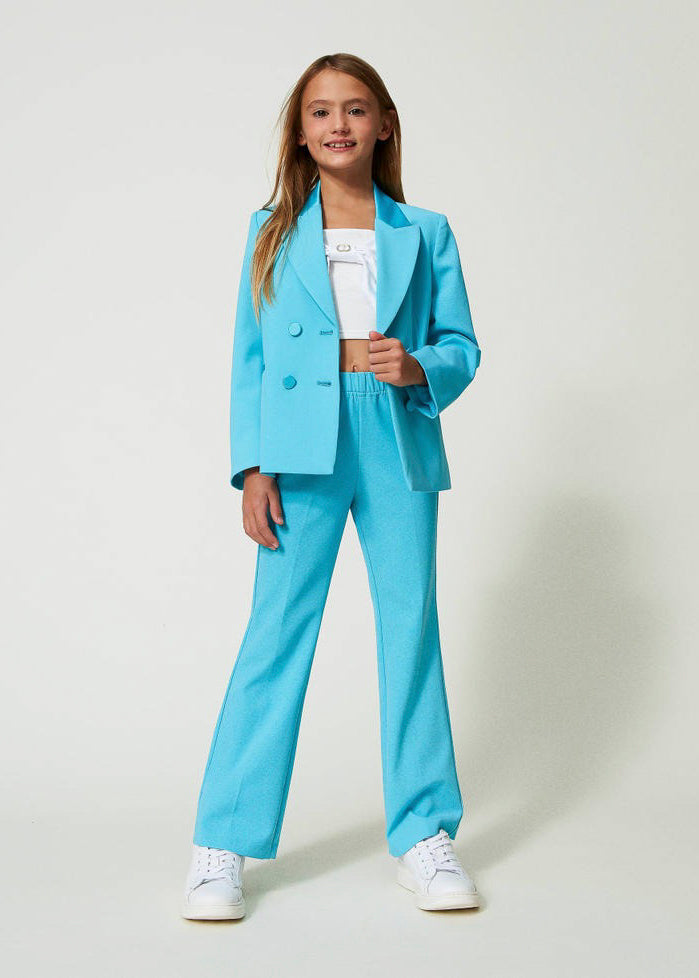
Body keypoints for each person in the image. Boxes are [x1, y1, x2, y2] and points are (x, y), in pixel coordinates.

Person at [181, 52, 483, 920]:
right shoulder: (270, 231)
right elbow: (249, 356)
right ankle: (221, 843)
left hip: (394, 432)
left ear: (383, 124)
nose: (338, 124)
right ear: (300, 132)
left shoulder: (424, 230)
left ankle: (424, 834)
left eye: (355, 109)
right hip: (297, 443)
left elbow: (461, 344)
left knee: (409, 628)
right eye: (320, 111)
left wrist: (418, 365)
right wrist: (253, 467)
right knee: (276, 632)